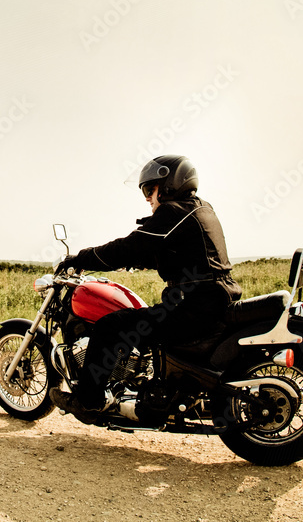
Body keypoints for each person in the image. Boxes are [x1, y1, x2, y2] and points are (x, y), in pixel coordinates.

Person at [50, 154, 241, 418]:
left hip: (194, 307)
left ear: (169, 185)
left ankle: (88, 402)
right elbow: (180, 254)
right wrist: (140, 260)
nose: (147, 197)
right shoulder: (200, 208)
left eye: (150, 189)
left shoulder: (173, 211)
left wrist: (81, 257)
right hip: (212, 299)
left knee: (110, 326)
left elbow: (128, 247)